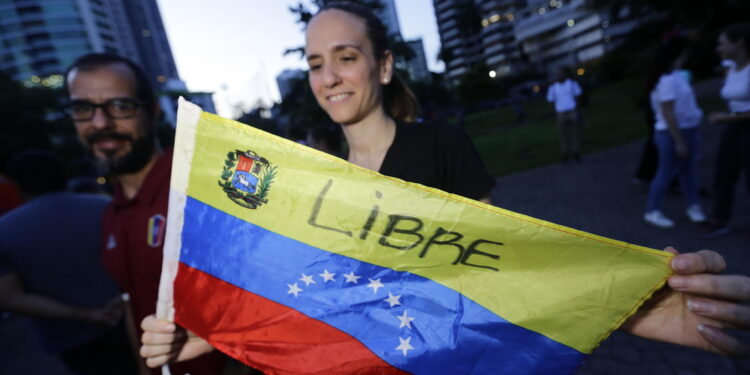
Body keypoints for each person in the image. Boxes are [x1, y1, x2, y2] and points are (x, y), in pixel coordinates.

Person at [139, 2, 750, 367]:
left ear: (383, 65)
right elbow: (315, 296)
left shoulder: (441, 145)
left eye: (346, 57)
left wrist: (624, 301)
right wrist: (206, 333)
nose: (329, 77)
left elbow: (499, 269)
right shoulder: (311, 172)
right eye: (316, 63)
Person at [63, 53, 227, 374]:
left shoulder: (200, 191)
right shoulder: (112, 213)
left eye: (120, 106)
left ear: (152, 113)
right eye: (83, 108)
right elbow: (131, 306)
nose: (100, 123)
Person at [0, 150, 135, 374]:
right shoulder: (105, 207)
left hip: (72, 337)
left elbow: (8, 297)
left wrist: (83, 315)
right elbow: (138, 260)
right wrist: (120, 299)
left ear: (17, 185)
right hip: (129, 317)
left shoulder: (5, 231)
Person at [643, 34, 706, 228]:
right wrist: (679, 141)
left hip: (685, 129)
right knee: (666, 171)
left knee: (687, 171)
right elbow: (668, 112)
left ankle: (693, 206)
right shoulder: (667, 80)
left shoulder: (676, 76)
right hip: (672, 133)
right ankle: (652, 210)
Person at [703, 22, 750, 237]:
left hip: (744, 125)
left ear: (739, 42)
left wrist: (726, 117)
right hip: (732, 125)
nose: (718, 47)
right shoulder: (731, 67)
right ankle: (719, 220)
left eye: (722, 43)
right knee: (723, 174)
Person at [546, 67, 583, 163]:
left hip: (572, 111)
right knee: (563, 135)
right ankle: (564, 153)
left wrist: (577, 109)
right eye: (557, 74)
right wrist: (553, 114)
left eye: (560, 73)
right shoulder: (553, 88)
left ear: (565, 74)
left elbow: (577, 96)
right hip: (560, 113)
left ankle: (576, 151)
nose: (559, 76)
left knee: (574, 132)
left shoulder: (572, 84)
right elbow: (551, 101)